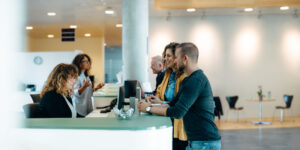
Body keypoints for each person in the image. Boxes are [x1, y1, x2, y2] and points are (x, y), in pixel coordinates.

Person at [138, 43, 221, 150]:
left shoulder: (195, 81)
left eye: (176, 57)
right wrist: (149, 106)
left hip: (204, 143)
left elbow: (177, 112)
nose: (174, 61)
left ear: (185, 59)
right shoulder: (188, 80)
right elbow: (171, 105)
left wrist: (148, 108)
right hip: (196, 141)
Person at [148, 42, 188, 150]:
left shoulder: (184, 77)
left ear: (177, 57)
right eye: (165, 56)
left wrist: (157, 104)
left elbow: (178, 105)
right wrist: (155, 99)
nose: (165, 59)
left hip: (181, 124)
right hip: (168, 118)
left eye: (168, 56)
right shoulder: (168, 74)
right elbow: (160, 92)